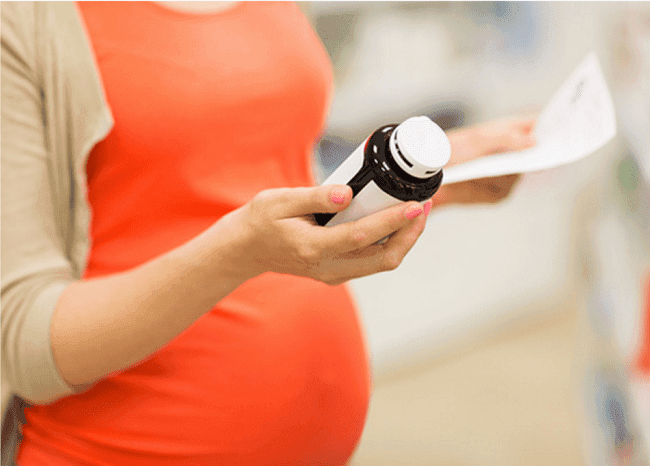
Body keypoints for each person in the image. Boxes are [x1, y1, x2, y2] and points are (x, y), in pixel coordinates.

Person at [0, 2, 536, 465]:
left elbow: (261, 176)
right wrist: (237, 252)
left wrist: (416, 179)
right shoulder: (26, 20)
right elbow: (25, 342)